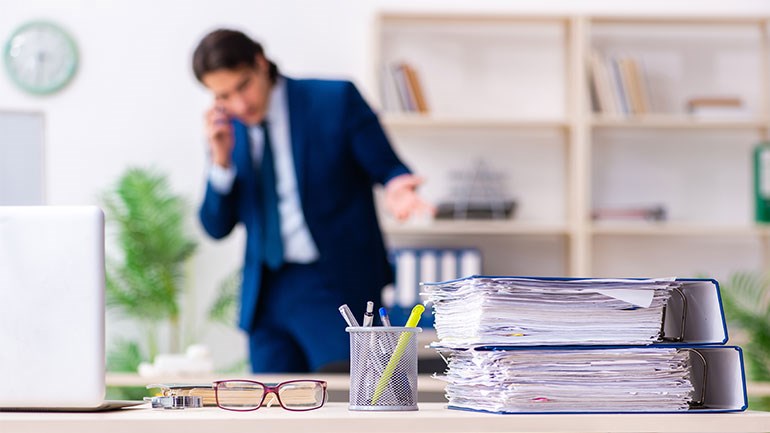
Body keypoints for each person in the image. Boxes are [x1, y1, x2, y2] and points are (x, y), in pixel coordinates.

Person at [192, 29, 433, 373]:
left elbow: (388, 166)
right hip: (266, 295)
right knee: (273, 411)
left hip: (334, 285)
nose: (239, 105)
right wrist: (221, 161)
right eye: (224, 96)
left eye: (243, 85)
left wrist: (399, 188)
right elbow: (216, 227)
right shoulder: (227, 131)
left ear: (261, 63)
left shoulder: (334, 100)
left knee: (347, 404)